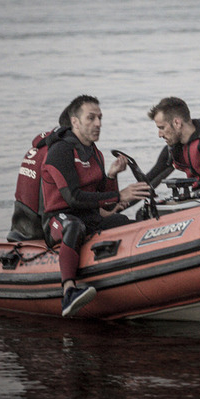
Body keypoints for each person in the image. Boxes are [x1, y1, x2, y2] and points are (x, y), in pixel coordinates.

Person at [41, 95, 151, 317]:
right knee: (74, 226)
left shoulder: (95, 153)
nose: (98, 123)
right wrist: (119, 194)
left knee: (122, 222)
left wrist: (111, 175)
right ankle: (69, 292)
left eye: (100, 118)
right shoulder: (60, 151)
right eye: (91, 118)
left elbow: (103, 199)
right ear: (75, 121)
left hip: (89, 216)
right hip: (58, 219)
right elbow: (73, 198)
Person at [7, 108, 70, 243]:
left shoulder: (41, 147)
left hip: (20, 227)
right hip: (38, 233)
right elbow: (50, 203)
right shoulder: (59, 152)